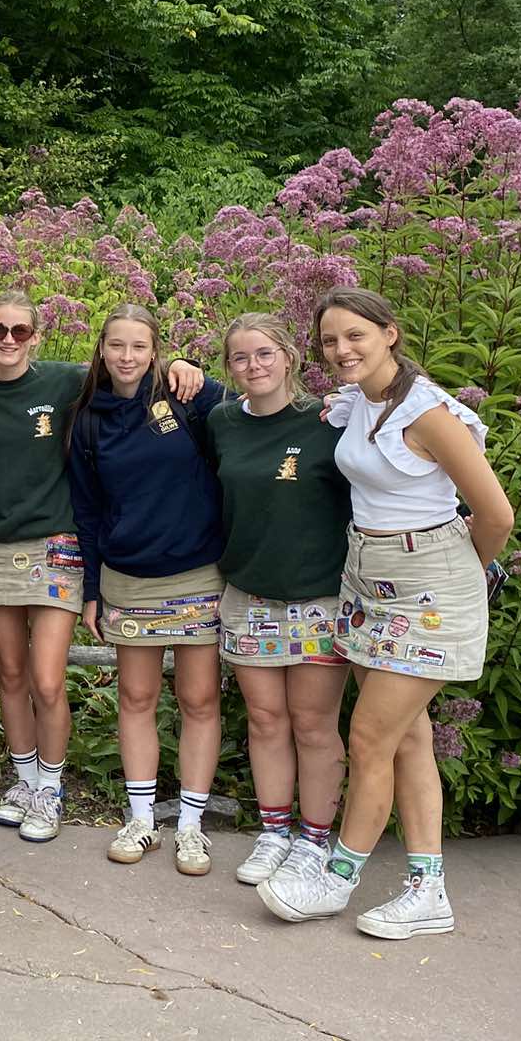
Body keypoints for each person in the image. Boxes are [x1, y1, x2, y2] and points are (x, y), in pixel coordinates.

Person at [259, 289, 513, 938]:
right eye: (330, 340)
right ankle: (428, 891)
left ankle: (336, 879)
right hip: (367, 580)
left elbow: (496, 514)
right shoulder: (359, 401)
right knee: (408, 737)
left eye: (356, 336)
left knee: (370, 737)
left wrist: (462, 575)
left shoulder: (429, 413)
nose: (341, 350)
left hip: (428, 583)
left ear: (390, 333)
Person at [0, 293, 204, 844]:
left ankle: (51, 787)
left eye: (20, 331)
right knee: (10, 674)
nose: (8, 340)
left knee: (47, 679)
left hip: (56, 546)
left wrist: (182, 364)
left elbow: (132, 368)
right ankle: (24, 782)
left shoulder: (67, 383)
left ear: (37, 335)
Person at [68, 304, 226, 877]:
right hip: (127, 577)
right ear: (101, 349)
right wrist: (92, 589)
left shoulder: (187, 398)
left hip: (197, 572)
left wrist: (195, 371)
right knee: (136, 699)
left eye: (139, 346)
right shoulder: (89, 419)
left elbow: (252, 414)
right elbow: (87, 511)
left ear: (156, 350)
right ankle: (140, 820)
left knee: (199, 700)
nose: (127, 356)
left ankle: (191, 826)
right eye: (117, 345)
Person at [207, 312, 352, 889]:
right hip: (248, 595)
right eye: (240, 357)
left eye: (265, 353)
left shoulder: (328, 422)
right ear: (229, 367)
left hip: (319, 597)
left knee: (314, 724)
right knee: (265, 720)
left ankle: (313, 841)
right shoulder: (222, 421)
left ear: (289, 356)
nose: (254, 366)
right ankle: (273, 833)